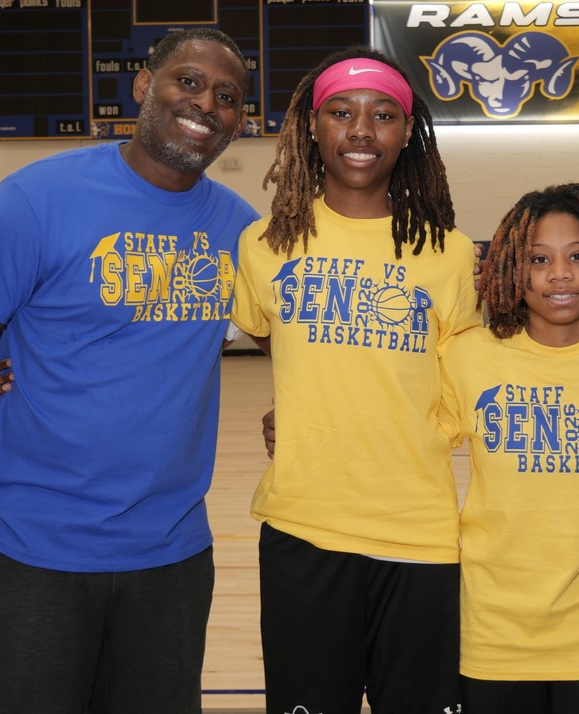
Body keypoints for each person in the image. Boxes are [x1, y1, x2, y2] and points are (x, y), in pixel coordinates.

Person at [0, 28, 258, 713]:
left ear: (240, 120)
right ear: (144, 87)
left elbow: (312, 334)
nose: (206, 102)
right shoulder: (37, 197)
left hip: (169, 561)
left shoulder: (240, 231)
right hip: (27, 555)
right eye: (188, 81)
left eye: (227, 96)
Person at [230, 47, 480, 713]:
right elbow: (265, 327)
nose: (361, 130)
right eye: (341, 112)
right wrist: (309, 396)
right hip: (305, 528)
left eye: (383, 115)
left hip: (419, 533)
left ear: (408, 132)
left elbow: (471, 374)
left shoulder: (448, 252)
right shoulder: (266, 244)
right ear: (313, 127)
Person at [438, 182, 579, 713]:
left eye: (578, 256)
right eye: (538, 259)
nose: (560, 274)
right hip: (493, 633)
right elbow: (396, 437)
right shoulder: (469, 357)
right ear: (512, 267)